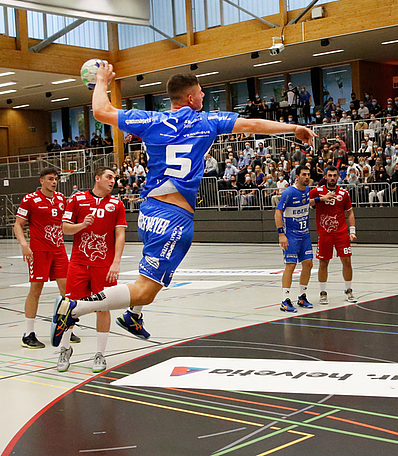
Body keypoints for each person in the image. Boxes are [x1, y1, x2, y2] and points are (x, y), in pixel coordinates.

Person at [51, 62, 316, 347]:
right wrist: (294, 127)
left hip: (150, 211)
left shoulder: (152, 121)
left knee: (150, 281)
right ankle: (74, 307)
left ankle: (132, 317)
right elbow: (252, 124)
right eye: (201, 92)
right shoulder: (207, 122)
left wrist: (101, 81)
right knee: (144, 291)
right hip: (173, 218)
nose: (203, 96)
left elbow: (102, 111)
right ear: (191, 98)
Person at [57, 166, 126, 373]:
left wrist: (116, 262)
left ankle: (100, 354)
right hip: (79, 262)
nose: (112, 181)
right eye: (108, 177)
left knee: (103, 308)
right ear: (97, 178)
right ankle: (64, 348)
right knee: (69, 306)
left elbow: (120, 235)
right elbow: (65, 229)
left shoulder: (117, 204)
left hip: (104, 265)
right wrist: (82, 225)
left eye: (114, 178)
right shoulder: (77, 199)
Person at [14, 168, 77, 349]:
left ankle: (65, 328)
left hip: (58, 250)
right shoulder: (30, 199)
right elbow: (18, 225)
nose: (54, 182)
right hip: (39, 251)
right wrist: (25, 246)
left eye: (55, 179)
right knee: (36, 289)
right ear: (42, 181)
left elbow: (66, 223)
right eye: (50, 179)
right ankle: (28, 333)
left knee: (67, 290)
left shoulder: (60, 199)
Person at [275, 166, 321, 312]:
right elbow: (278, 212)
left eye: (308, 174)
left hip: (305, 234)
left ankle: (302, 296)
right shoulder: (289, 192)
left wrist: (321, 199)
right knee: (291, 265)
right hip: (291, 235)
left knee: (308, 263)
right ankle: (285, 300)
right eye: (304, 174)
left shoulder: (307, 190)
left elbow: (306, 203)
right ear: (297, 176)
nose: (307, 177)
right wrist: (281, 234)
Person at [310, 166, 357, 304]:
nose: (332, 178)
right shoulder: (317, 191)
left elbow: (350, 212)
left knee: (347, 261)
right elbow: (304, 202)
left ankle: (348, 290)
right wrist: (321, 199)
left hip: (341, 233)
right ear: (325, 176)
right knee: (323, 263)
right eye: (329, 175)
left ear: (338, 177)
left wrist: (352, 231)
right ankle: (323, 293)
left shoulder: (344, 193)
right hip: (324, 234)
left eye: (334, 175)